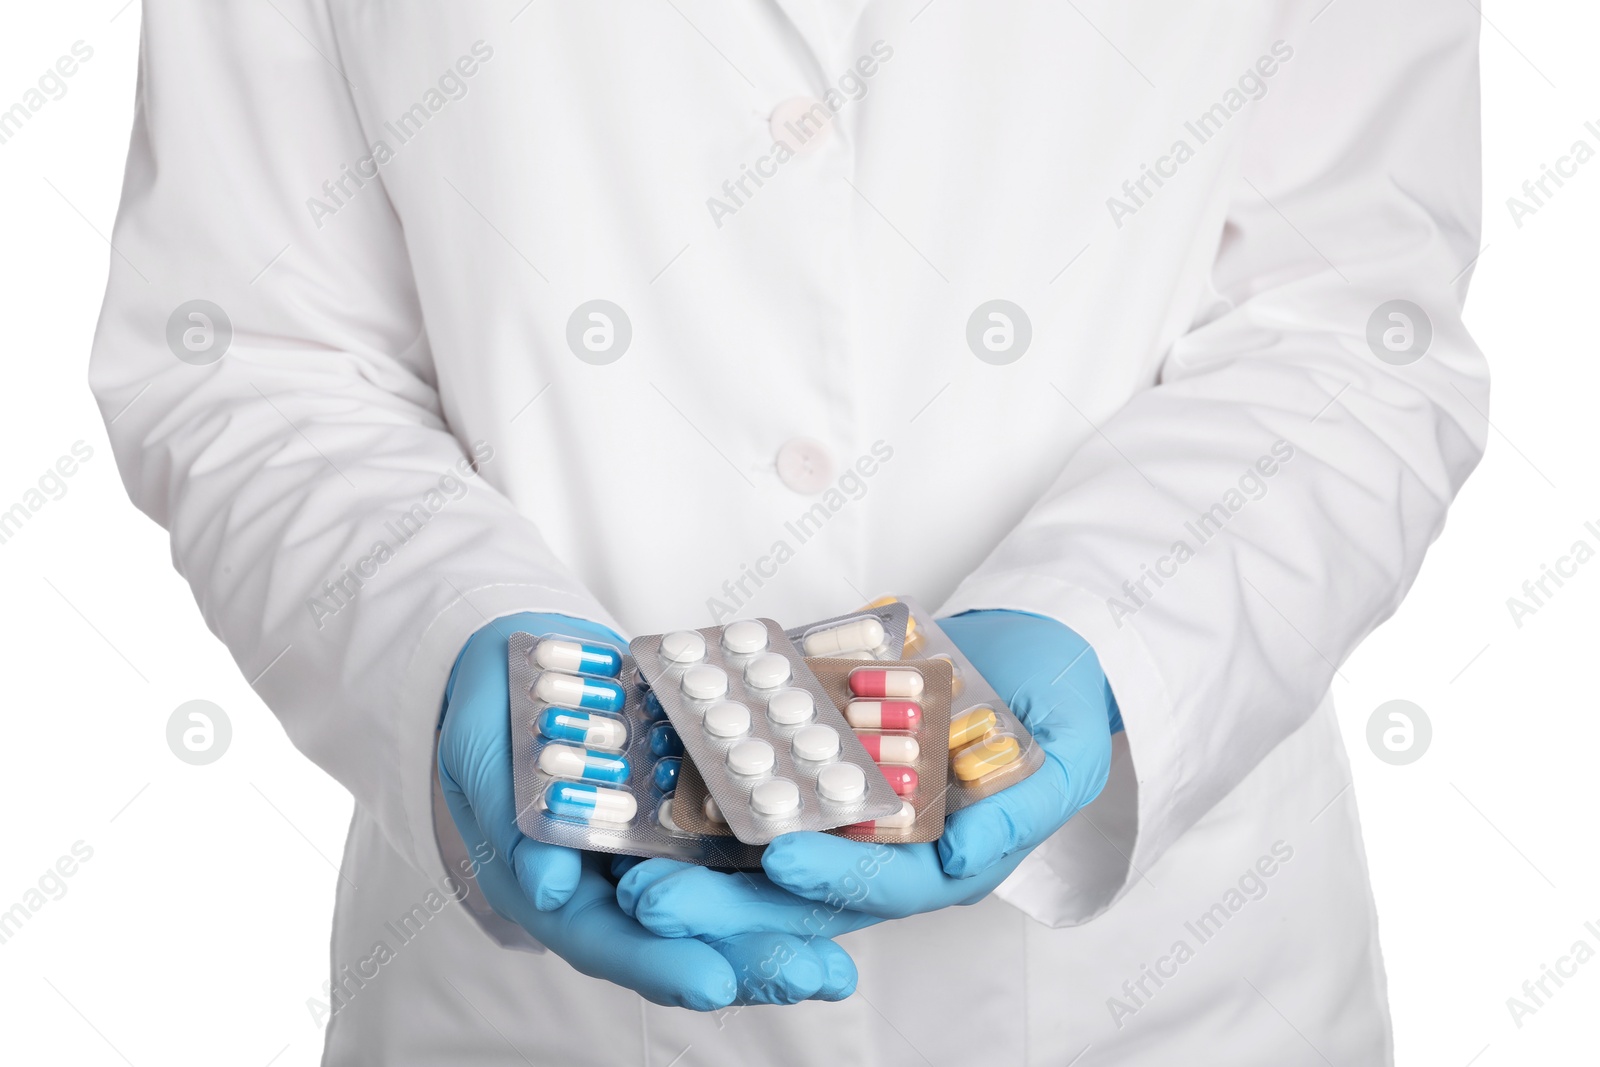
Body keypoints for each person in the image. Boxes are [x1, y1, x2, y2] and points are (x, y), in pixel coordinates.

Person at [90, 1, 1486, 1063]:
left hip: (1163, 1000)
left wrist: (1112, 633)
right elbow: (251, 348)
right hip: (533, 1023)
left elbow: (1351, 326)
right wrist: (446, 639)